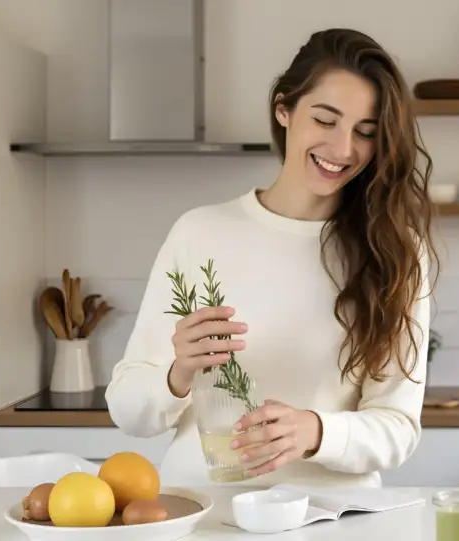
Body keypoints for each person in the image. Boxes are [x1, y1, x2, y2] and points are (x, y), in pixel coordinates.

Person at [105, 27, 440, 488]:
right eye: (325, 120)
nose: (343, 149)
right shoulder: (199, 233)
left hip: (333, 520)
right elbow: (128, 413)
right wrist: (177, 372)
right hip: (203, 515)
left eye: (365, 132)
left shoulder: (395, 252)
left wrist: (317, 432)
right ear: (284, 109)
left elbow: (398, 428)